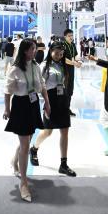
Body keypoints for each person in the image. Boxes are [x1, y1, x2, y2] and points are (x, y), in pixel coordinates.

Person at [3, 39, 49, 202]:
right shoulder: (15, 69)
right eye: (32, 49)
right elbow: (7, 91)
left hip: (33, 104)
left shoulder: (35, 66)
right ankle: (23, 183)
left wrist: (47, 104)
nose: (35, 51)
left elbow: (42, 85)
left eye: (35, 48)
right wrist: (7, 109)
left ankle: (14, 161)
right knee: (25, 145)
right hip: (21, 106)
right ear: (24, 51)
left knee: (27, 140)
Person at [28, 42, 76, 176]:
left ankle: (63, 164)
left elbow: (63, 82)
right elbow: (39, 86)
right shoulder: (44, 66)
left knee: (65, 131)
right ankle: (34, 149)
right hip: (50, 100)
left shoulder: (61, 64)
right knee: (47, 132)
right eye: (56, 53)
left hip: (62, 100)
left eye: (61, 54)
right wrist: (45, 103)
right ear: (50, 51)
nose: (59, 56)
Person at [61, 28, 82, 116]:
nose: (71, 37)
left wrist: (79, 61)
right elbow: (63, 59)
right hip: (64, 70)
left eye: (72, 35)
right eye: (69, 36)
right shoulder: (62, 45)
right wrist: (74, 63)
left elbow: (75, 55)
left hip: (71, 70)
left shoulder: (72, 45)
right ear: (65, 37)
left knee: (70, 90)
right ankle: (62, 109)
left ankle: (67, 109)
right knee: (64, 90)